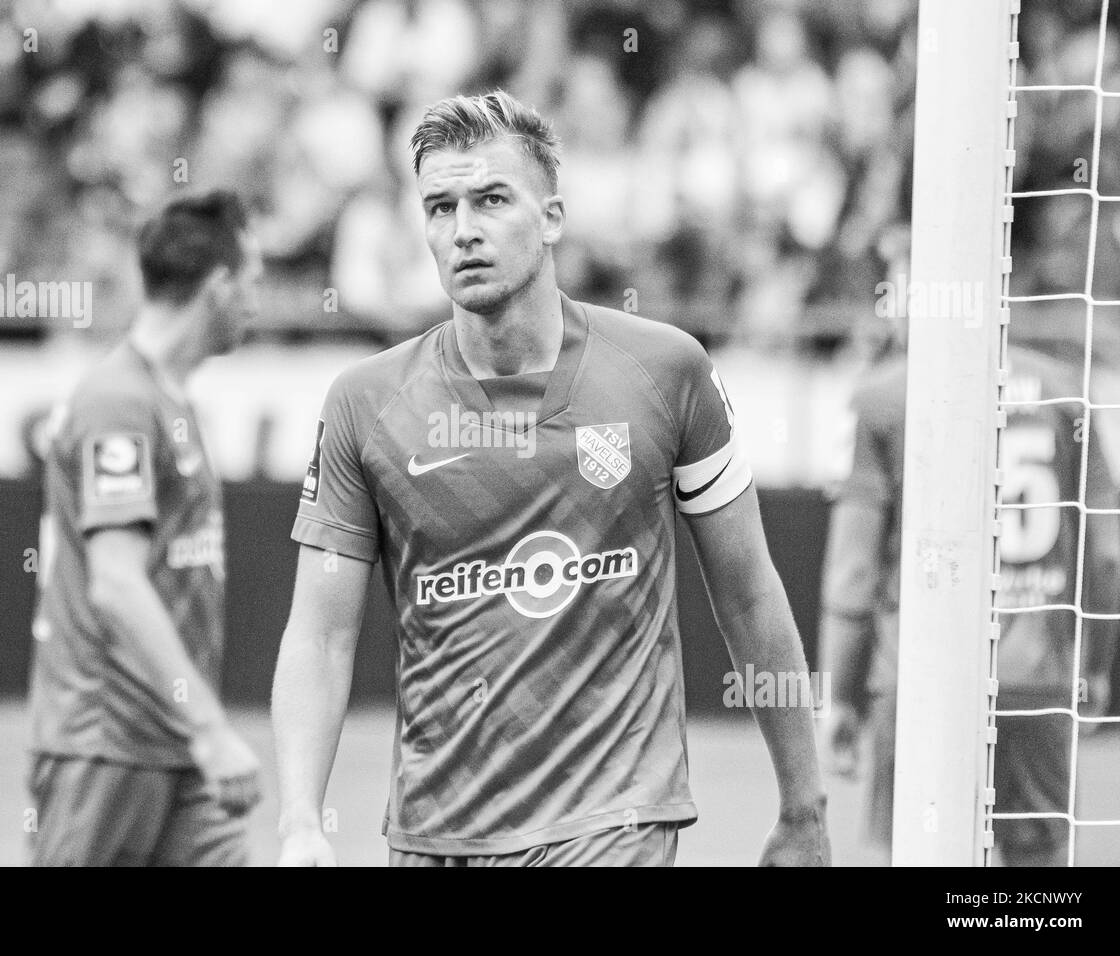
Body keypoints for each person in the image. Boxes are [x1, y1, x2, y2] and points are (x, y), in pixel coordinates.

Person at [271, 91, 830, 867]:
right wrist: (300, 817)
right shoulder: (365, 405)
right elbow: (322, 634)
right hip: (434, 835)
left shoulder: (667, 371)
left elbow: (748, 593)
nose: (463, 228)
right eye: (440, 207)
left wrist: (804, 805)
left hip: (614, 821)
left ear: (553, 217)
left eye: (492, 199)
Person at [819, 336, 1120, 866]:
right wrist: (1094, 668)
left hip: (919, 680)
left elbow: (856, 570)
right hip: (1035, 677)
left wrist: (841, 695)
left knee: (902, 846)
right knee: (1037, 870)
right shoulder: (1067, 390)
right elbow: (1107, 560)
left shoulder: (886, 394)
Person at [27, 191, 265, 866]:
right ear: (218, 286)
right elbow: (115, 583)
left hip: (172, 744)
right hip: (106, 742)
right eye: (252, 282)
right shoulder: (119, 401)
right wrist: (212, 727)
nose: (256, 300)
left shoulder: (167, 397)